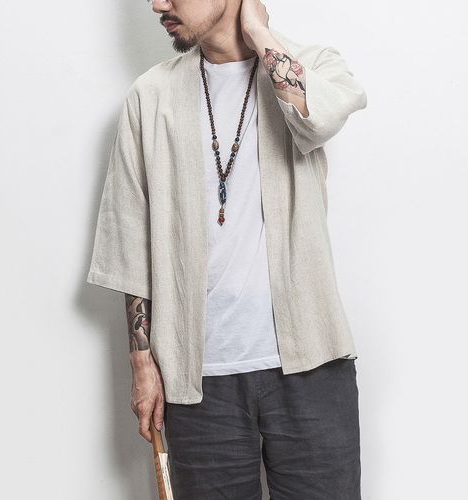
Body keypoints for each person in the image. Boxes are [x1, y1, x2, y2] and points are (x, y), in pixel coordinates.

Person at [86, 0, 367, 498]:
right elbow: (129, 238)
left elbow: (318, 119)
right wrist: (142, 363)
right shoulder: (151, 96)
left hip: (312, 368)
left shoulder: (312, 64)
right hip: (198, 384)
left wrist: (258, 31)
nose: (158, 4)